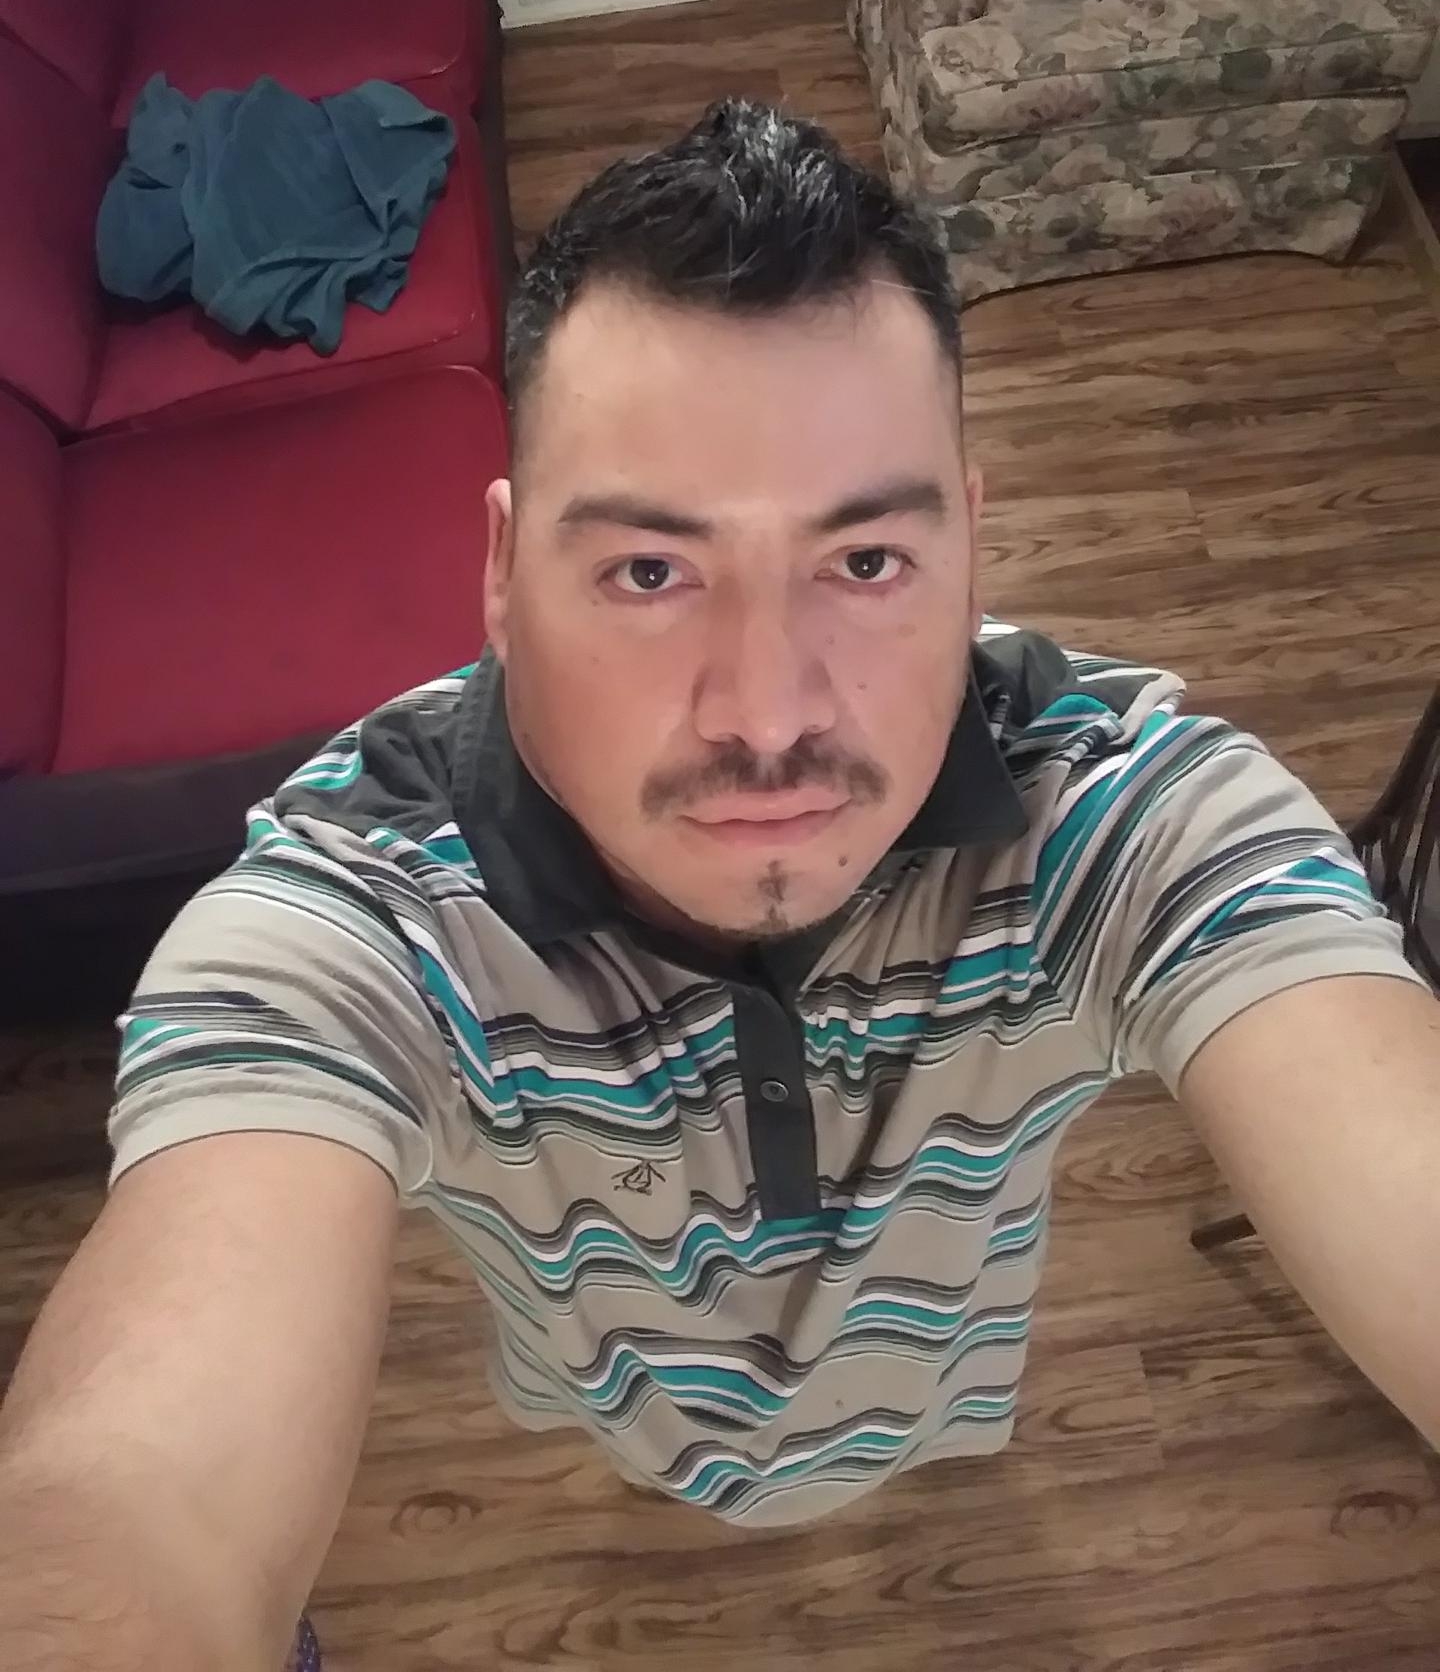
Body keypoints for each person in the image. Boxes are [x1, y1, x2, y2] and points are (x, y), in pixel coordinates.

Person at [2, 100, 1437, 1672]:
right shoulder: (357, 916)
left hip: (945, 1391)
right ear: (502, 574)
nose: (767, 713)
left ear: (972, 545)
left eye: (865, 564)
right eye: (650, 573)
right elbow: (139, 1495)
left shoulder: (1120, 812)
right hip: (604, 1402)